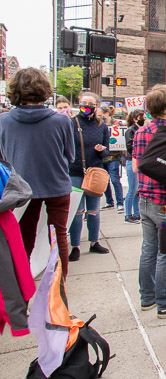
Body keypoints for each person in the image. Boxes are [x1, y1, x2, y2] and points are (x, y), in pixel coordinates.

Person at [0, 68, 75, 276]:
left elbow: (3, 157)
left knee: (22, 243)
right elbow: (70, 156)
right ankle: (58, 298)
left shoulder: (3, 121)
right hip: (57, 186)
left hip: (20, 189)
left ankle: (20, 300)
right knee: (58, 239)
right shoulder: (62, 121)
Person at [132, 86, 166, 318]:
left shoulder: (141, 131)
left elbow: (135, 166)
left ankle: (147, 297)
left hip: (144, 198)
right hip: (164, 202)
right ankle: (165, 302)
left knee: (148, 250)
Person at [67, 91, 110, 261]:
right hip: (76, 172)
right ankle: (75, 245)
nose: (86, 106)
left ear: (96, 106)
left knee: (94, 210)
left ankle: (94, 242)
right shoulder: (71, 123)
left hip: (95, 172)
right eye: (84, 102)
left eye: (90, 103)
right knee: (77, 212)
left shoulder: (102, 126)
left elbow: (107, 152)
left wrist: (102, 151)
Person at [124, 109, 145, 223]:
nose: (144, 119)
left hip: (138, 160)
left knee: (137, 190)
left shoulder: (141, 130)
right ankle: (128, 215)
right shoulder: (130, 131)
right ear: (134, 119)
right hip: (132, 161)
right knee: (132, 189)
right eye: (141, 116)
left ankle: (136, 213)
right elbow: (130, 147)